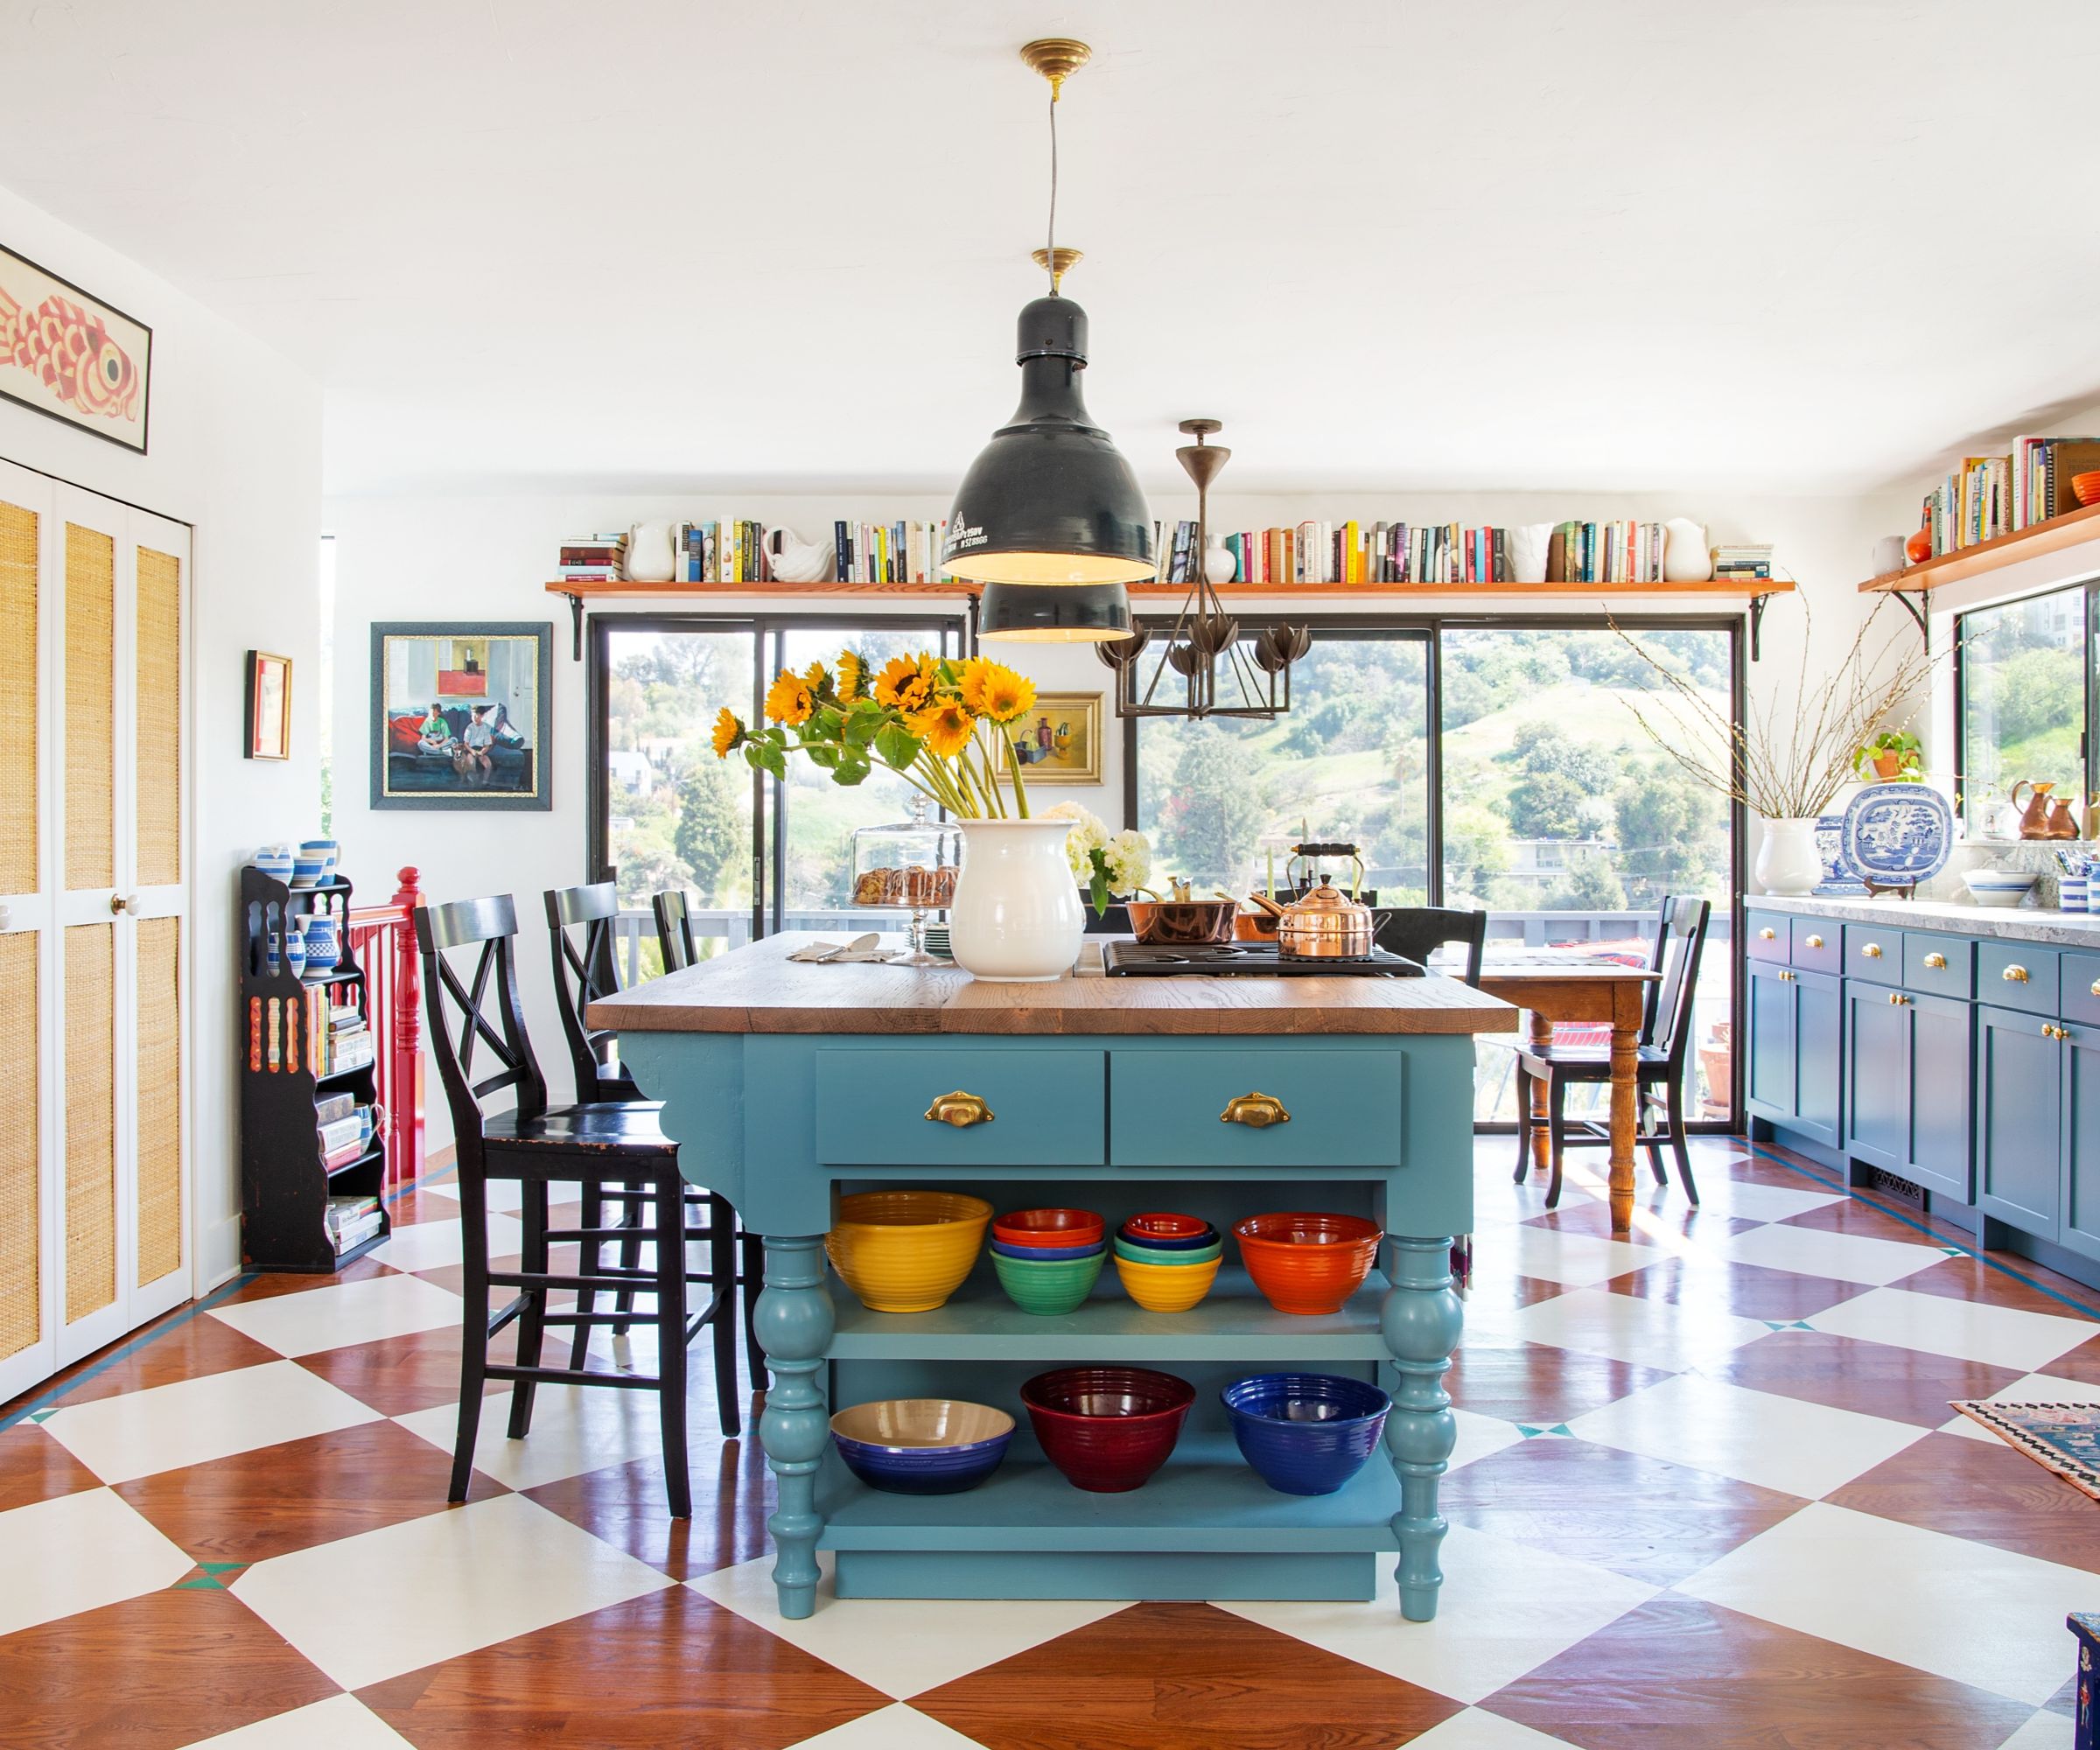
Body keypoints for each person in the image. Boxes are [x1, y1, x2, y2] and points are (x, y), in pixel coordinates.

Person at [459, 704, 495, 778]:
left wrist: (483, 751)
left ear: (482, 716)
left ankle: (485, 782)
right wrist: (472, 751)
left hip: (481, 750)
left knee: (488, 764)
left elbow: (487, 745)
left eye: (476, 716)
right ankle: (473, 782)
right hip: (470, 749)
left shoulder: (485, 727)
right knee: (471, 762)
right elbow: (466, 744)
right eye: (472, 716)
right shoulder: (470, 728)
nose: (474, 718)